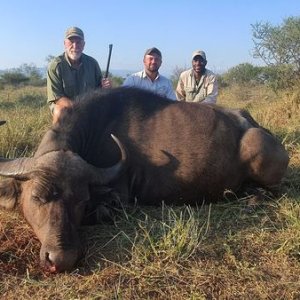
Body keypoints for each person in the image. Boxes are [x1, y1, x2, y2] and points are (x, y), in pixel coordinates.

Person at [47, 26, 111, 123]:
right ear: (64, 44)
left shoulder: (92, 63)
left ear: (84, 45)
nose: (75, 46)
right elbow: (58, 98)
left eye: (79, 42)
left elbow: (100, 90)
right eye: (71, 42)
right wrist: (79, 109)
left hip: (89, 106)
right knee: (59, 111)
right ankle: (57, 137)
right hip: (67, 106)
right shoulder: (55, 66)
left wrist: (106, 86)